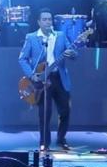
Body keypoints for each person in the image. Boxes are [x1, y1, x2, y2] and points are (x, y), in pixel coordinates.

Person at [18, 9, 78, 151]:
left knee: (65, 110)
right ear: (39, 22)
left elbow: (74, 54)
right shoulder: (31, 37)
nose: (47, 22)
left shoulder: (61, 36)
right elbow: (22, 59)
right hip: (42, 79)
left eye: (49, 19)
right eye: (44, 19)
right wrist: (32, 75)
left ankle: (61, 139)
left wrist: (72, 54)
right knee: (45, 112)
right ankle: (44, 142)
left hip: (59, 77)